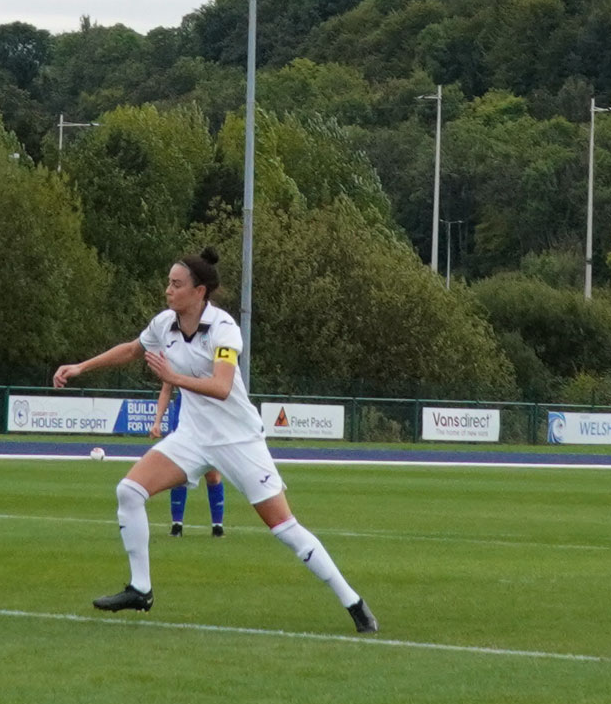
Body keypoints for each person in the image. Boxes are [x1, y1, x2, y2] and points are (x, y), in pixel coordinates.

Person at [53, 248, 376, 633]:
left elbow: (222, 387)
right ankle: (140, 589)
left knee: (285, 528)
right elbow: (132, 349)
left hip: (238, 439)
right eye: (169, 283)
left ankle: (353, 603)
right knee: (129, 491)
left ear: (199, 291)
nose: (168, 290)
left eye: (177, 284)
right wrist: (81, 366)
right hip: (192, 436)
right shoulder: (164, 323)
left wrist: (173, 377)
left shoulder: (223, 329)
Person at [151, 383, 224, 537]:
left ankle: (217, 527)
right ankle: (177, 525)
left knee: (212, 475)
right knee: (179, 473)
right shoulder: (175, 361)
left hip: (208, 420)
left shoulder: (210, 363)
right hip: (182, 422)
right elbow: (166, 390)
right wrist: (157, 422)